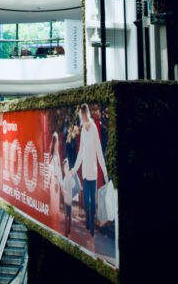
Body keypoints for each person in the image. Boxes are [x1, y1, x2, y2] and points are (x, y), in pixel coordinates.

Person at [72, 103, 108, 249]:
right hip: (85, 174)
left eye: (81, 115)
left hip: (93, 172)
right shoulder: (83, 130)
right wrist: (74, 169)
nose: (80, 118)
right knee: (87, 202)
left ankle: (92, 232)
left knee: (93, 203)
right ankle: (89, 231)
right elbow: (80, 152)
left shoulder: (93, 128)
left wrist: (104, 172)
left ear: (84, 114)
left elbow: (99, 151)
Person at [48, 131, 63, 230]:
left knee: (54, 203)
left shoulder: (53, 157)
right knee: (55, 204)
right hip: (54, 181)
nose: (57, 144)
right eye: (56, 142)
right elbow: (56, 172)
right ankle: (55, 226)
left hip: (53, 181)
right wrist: (58, 184)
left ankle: (54, 225)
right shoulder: (55, 157)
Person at [62, 158, 75, 238]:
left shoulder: (70, 177)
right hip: (66, 200)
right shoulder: (65, 178)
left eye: (68, 165)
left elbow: (73, 185)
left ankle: (68, 231)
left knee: (69, 216)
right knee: (66, 215)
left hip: (69, 200)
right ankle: (66, 232)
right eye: (66, 166)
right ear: (64, 168)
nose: (67, 167)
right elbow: (63, 189)